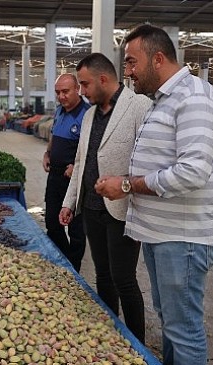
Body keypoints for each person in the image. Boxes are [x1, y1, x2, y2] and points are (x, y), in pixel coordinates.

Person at [96, 25, 213, 365]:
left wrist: (127, 184)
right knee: (172, 323)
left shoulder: (194, 98)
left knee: (183, 330)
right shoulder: (162, 101)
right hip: (163, 235)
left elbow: (192, 172)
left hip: (182, 238)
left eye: (131, 62)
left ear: (157, 58)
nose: (126, 72)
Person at [59, 53, 152, 343]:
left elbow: (149, 160)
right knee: (103, 275)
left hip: (122, 208)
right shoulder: (88, 116)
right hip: (91, 208)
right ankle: (112, 335)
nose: (81, 91)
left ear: (103, 79)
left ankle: (136, 344)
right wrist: (69, 202)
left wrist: (126, 185)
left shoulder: (139, 106)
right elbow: (82, 160)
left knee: (124, 279)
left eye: (85, 84)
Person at [42, 74, 90, 272]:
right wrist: (47, 153)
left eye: (65, 91)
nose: (61, 96)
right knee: (52, 223)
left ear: (77, 88)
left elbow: (91, 148)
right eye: (58, 92)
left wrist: (76, 166)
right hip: (55, 175)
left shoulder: (88, 114)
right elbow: (54, 135)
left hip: (74, 179)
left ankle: (73, 269)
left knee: (76, 229)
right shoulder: (59, 111)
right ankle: (66, 260)